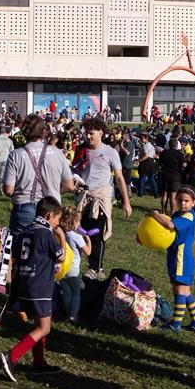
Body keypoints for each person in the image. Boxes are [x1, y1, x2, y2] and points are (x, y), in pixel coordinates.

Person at [0, 196, 64, 382]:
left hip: (25, 283)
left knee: (38, 324)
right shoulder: (45, 233)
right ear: (50, 215)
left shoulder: (26, 230)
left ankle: (39, 363)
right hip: (41, 286)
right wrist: (62, 236)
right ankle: (12, 356)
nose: (57, 223)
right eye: (57, 219)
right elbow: (60, 256)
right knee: (45, 328)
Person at [74, 118, 132, 275]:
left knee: (96, 234)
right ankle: (74, 266)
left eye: (91, 133)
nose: (88, 136)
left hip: (100, 198)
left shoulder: (110, 152)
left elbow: (119, 177)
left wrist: (126, 202)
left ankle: (95, 268)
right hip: (82, 197)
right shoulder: (81, 150)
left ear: (101, 133)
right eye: (86, 133)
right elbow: (74, 171)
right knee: (78, 231)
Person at [2, 115, 75, 236]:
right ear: (43, 132)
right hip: (51, 209)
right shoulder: (57, 153)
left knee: (20, 249)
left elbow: (8, 190)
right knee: (45, 248)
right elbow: (69, 185)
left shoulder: (16, 155)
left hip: (24, 206)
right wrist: (55, 189)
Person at [154, 187, 195, 334]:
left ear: (193, 203)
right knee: (185, 291)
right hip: (175, 255)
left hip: (182, 258)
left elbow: (169, 225)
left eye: (186, 201)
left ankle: (175, 324)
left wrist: (155, 214)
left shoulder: (189, 216)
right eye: (180, 200)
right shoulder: (177, 214)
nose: (183, 203)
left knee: (179, 290)